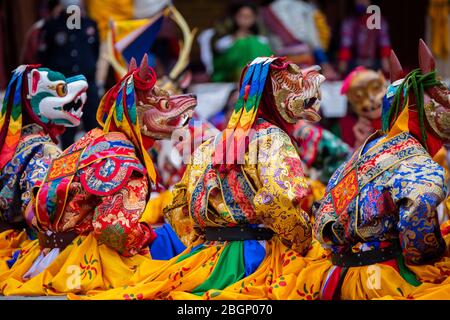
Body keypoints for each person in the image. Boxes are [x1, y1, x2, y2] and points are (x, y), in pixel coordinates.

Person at [68, 56, 328, 300]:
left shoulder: (212, 143)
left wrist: (202, 241)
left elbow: (179, 206)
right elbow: (279, 199)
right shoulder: (274, 140)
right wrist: (302, 241)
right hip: (257, 259)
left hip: (204, 261)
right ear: (277, 97)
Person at [0, 56, 198, 295]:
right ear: (138, 116)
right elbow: (113, 229)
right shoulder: (126, 161)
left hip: (46, 255)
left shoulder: (89, 141)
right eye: (164, 106)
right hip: (83, 262)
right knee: (174, 253)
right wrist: (147, 235)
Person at [307, 41, 450, 300]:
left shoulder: (363, 153)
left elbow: (323, 217)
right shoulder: (417, 160)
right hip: (384, 279)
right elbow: (418, 209)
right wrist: (431, 253)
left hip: (342, 277)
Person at [0, 65, 87, 273]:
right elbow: (39, 210)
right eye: (60, 91)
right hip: (28, 246)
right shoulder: (43, 149)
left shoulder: (14, 142)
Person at [37, 0, 100, 148]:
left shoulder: (89, 25)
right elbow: (43, 58)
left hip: (87, 85)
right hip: (63, 88)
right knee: (67, 133)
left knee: (95, 129)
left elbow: (95, 53)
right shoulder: (51, 26)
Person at [261, 0, 338, 80]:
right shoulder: (304, 7)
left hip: (281, 60)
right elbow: (313, 38)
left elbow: (266, 40)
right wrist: (324, 62)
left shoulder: (267, 11)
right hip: (304, 57)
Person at [210, 1, 273, 82]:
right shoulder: (225, 39)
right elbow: (219, 52)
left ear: (254, 18)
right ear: (235, 17)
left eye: (249, 16)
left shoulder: (261, 40)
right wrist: (236, 39)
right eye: (242, 16)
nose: (245, 19)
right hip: (231, 77)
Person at [338, 0, 391, 76]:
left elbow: (384, 45)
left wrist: (387, 69)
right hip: (355, 64)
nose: (361, 2)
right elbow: (345, 46)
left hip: (374, 64)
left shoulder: (380, 21)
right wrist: (342, 69)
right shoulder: (350, 21)